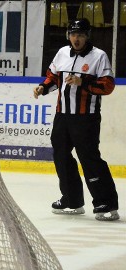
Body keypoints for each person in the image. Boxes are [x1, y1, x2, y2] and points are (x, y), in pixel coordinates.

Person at [33, 18, 119, 221]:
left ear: (87, 36)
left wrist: (83, 82)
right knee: (61, 156)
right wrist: (43, 87)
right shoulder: (62, 53)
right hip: (62, 116)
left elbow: (107, 86)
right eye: (73, 34)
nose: (76, 38)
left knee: (89, 158)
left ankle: (106, 203)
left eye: (80, 34)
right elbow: (53, 77)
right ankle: (72, 200)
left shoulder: (99, 56)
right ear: (68, 36)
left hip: (86, 118)